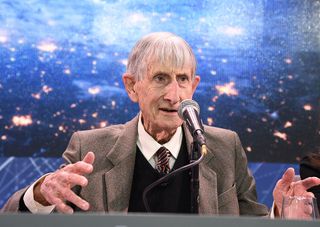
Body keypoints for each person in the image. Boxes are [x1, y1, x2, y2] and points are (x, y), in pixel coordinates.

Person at [2, 32, 320, 216]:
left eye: (182, 79)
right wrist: (41, 194)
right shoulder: (89, 148)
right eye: (160, 78)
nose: (174, 94)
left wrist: (281, 213)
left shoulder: (224, 147)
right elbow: (13, 217)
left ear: (194, 86)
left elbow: (251, 222)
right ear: (131, 86)